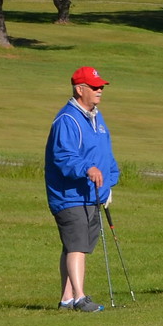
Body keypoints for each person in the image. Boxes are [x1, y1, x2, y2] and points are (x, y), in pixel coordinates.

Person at [45, 65, 120, 312]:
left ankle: (66, 299)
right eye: (95, 87)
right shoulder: (67, 119)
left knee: (75, 246)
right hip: (69, 195)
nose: (100, 91)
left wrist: (109, 182)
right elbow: (63, 157)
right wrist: (88, 168)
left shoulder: (97, 117)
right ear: (80, 89)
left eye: (101, 87)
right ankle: (80, 298)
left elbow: (106, 154)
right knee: (77, 245)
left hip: (92, 193)